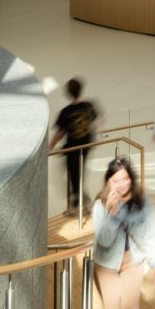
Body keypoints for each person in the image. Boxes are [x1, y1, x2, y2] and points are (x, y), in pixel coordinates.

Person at [88, 156, 155, 309]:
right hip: (107, 265)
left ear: (132, 179)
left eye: (125, 178)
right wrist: (112, 214)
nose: (122, 184)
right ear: (108, 181)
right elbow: (104, 240)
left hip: (133, 262)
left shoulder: (142, 204)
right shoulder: (100, 206)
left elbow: (150, 234)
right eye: (116, 179)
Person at [51, 78, 99, 213]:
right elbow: (94, 122)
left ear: (68, 92)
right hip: (86, 147)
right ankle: (77, 204)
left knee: (75, 177)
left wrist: (50, 148)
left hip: (73, 149)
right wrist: (93, 139)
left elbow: (59, 133)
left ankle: (82, 204)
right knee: (77, 176)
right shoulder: (89, 105)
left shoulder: (66, 112)